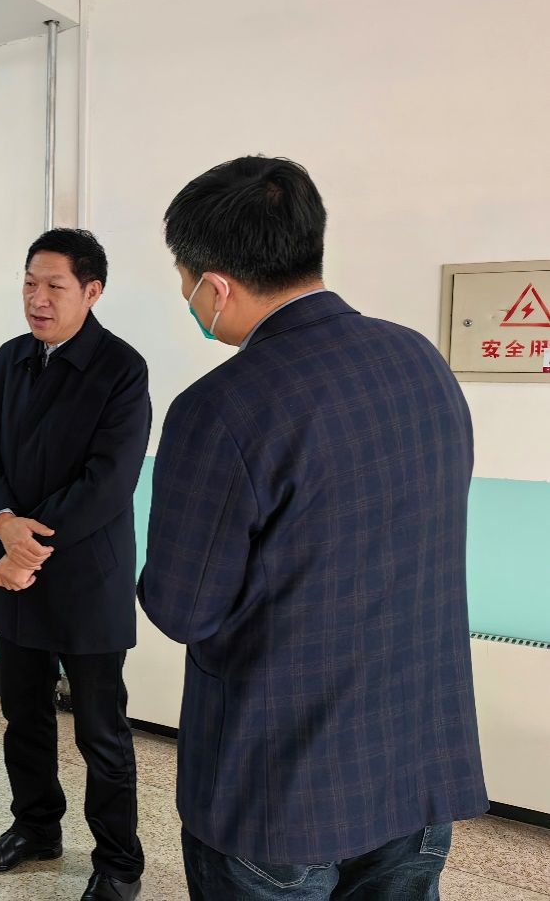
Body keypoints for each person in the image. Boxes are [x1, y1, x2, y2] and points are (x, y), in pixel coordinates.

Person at [138, 156, 487, 900]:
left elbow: (181, 609)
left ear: (216, 287)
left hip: (280, 787)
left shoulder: (221, 406)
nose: (187, 299)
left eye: (184, 282)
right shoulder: (420, 362)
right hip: (417, 761)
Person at [0, 228, 151, 901]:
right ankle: (37, 828)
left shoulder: (121, 369)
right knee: (24, 717)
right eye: (29, 283)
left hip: (84, 578)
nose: (37, 299)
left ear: (92, 291)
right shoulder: (10, 359)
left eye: (54, 286)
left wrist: (26, 547)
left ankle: (119, 862)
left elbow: (108, 482)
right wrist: (3, 525)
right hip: (13, 573)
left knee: (101, 731)